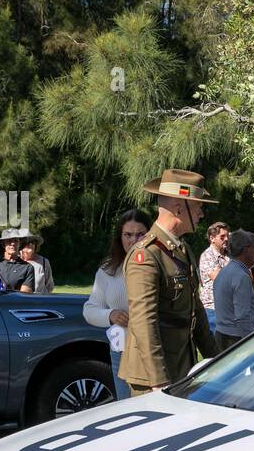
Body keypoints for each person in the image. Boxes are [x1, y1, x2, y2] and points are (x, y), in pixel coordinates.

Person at [120, 168, 218, 395]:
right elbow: (144, 322)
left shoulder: (182, 249)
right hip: (153, 377)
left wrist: (215, 360)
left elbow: (196, 310)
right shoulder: (146, 256)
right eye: (198, 207)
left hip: (182, 365)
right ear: (178, 208)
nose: (202, 213)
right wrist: (159, 381)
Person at [84, 209, 150, 400]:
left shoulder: (159, 265)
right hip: (121, 350)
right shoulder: (108, 269)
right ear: (119, 237)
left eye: (140, 234)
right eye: (128, 235)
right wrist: (110, 315)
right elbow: (89, 309)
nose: (133, 240)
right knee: (127, 410)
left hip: (153, 351)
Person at [212, 228, 254, 350]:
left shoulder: (225, 271)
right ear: (246, 250)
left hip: (222, 336)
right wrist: (250, 345)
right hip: (235, 339)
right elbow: (243, 317)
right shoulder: (241, 276)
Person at [197, 222, 230, 332]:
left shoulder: (228, 256)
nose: (226, 239)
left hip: (227, 308)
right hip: (213, 309)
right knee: (218, 346)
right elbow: (220, 278)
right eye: (222, 237)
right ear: (212, 238)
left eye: (227, 236)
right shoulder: (207, 255)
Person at [0, 228, 35, 292]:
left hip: (14, 301)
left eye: (16, 241)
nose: (13, 243)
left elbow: (25, 294)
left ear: (19, 244)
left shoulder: (27, 268)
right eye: (9, 241)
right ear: (3, 244)